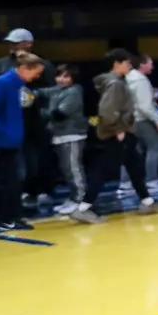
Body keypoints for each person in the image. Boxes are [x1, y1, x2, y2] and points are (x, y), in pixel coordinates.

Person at [74, 50, 158, 223]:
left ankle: (147, 201)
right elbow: (107, 111)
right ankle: (84, 208)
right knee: (103, 170)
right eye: (127, 63)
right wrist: (118, 130)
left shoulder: (115, 82)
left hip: (124, 132)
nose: (129, 67)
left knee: (135, 166)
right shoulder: (115, 84)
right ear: (116, 64)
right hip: (118, 133)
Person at [0, 52, 45, 229]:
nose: (37, 77)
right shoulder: (3, 83)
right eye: (36, 72)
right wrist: (3, 133)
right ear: (24, 68)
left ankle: (6, 211)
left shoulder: (17, 85)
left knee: (10, 178)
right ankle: (4, 216)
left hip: (13, 139)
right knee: (10, 179)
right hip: (4, 140)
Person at [41, 64, 90, 217]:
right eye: (59, 75)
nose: (61, 79)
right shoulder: (57, 90)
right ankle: (73, 197)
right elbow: (40, 93)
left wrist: (38, 112)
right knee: (66, 170)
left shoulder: (74, 92)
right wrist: (27, 94)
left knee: (74, 169)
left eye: (66, 76)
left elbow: (59, 114)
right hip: (59, 136)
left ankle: (81, 200)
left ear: (73, 78)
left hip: (73, 135)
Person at [124, 54, 158, 198]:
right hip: (142, 119)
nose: (152, 66)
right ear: (142, 65)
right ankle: (152, 181)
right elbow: (145, 106)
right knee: (155, 147)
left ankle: (126, 183)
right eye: (150, 63)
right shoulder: (140, 80)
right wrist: (157, 120)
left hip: (130, 119)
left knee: (132, 152)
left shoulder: (128, 78)